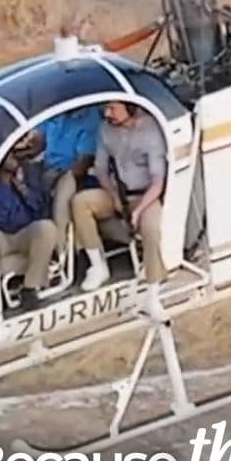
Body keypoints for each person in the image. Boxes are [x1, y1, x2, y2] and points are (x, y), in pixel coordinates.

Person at [70, 101, 167, 316]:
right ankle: (98, 266)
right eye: (105, 108)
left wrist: (139, 210)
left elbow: (158, 181)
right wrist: (113, 195)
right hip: (118, 192)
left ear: (130, 107)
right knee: (81, 202)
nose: (107, 113)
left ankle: (153, 293)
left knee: (151, 228)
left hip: (145, 196)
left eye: (113, 108)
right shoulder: (105, 130)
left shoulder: (151, 131)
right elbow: (101, 169)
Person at [22, 106, 102, 251]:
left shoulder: (90, 117)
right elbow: (39, 142)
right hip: (45, 167)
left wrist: (53, 179)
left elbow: (84, 162)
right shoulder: (55, 109)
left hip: (69, 172)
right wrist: (22, 151)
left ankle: (61, 248)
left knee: (64, 184)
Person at [0, 151, 58, 310]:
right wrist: (4, 184)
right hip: (3, 237)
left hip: (26, 234)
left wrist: (23, 189)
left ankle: (30, 288)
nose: (14, 158)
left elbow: (40, 211)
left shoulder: (29, 173)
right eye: (9, 156)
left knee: (46, 228)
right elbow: (3, 221)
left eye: (14, 154)